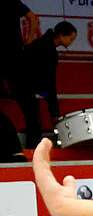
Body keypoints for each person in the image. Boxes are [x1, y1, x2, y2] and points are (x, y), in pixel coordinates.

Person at [11, 19, 75, 151]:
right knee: (34, 122)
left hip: (23, 84)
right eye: (71, 38)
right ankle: (33, 151)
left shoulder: (44, 45)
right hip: (22, 84)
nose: (71, 42)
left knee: (33, 120)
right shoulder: (47, 50)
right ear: (61, 36)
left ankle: (33, 148)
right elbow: (50, 82)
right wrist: (54, 111)